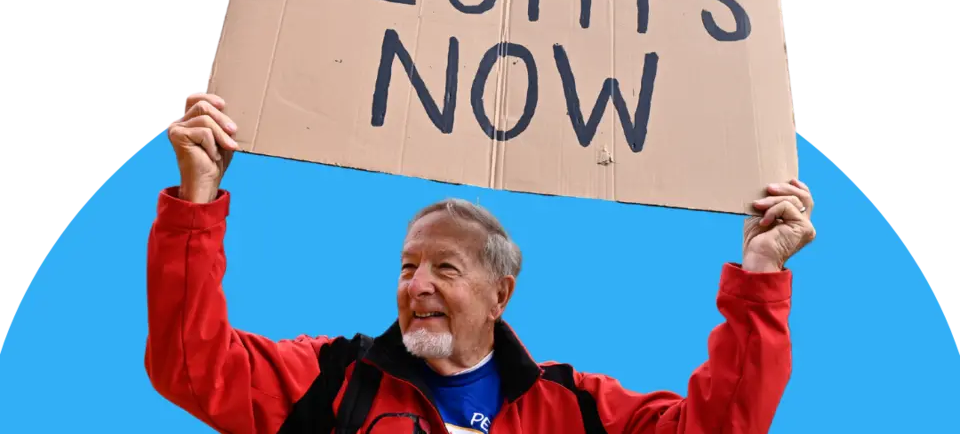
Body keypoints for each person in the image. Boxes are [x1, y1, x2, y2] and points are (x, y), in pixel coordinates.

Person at [145, 92, 817, 434]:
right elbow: (189, 364)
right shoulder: (333, 382)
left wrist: (760, 276)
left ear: (501, 294)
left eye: (445, 267)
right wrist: (196, 197)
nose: (417, 284)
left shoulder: (575, 409)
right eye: (409, 266)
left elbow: (721, 426)